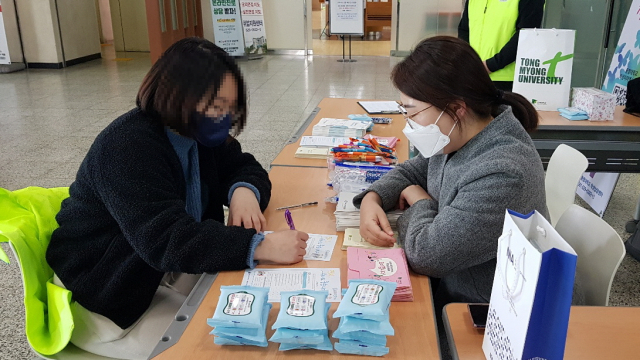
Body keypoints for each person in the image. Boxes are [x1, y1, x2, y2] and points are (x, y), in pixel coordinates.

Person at [46, 38, 308, 360]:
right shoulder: (127, 146)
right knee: (220, 344)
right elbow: (165, 239)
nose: (223, 117)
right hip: (109, 296)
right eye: (216, 105)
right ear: (177, 96)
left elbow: (245, 166)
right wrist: (259, 245)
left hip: (162, 269)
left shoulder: (196, 132)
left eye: (229, 107)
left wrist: (243, 191)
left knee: (255, 314)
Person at [355, 36, 548, 312]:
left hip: (488, 310)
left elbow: (427, 255)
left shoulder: (504, 172)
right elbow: (414, 170)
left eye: (413, 113)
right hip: (454, 288)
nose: (408, 124)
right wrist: (372, 198)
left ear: (457, 108)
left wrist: (421, 202)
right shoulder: (460, 134)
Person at [458, 0, 545, 91]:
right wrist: (469, 61)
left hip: (508, 80)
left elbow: (526, 35)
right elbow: (464, 29)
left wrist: (490, 65)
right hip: (474, 76)